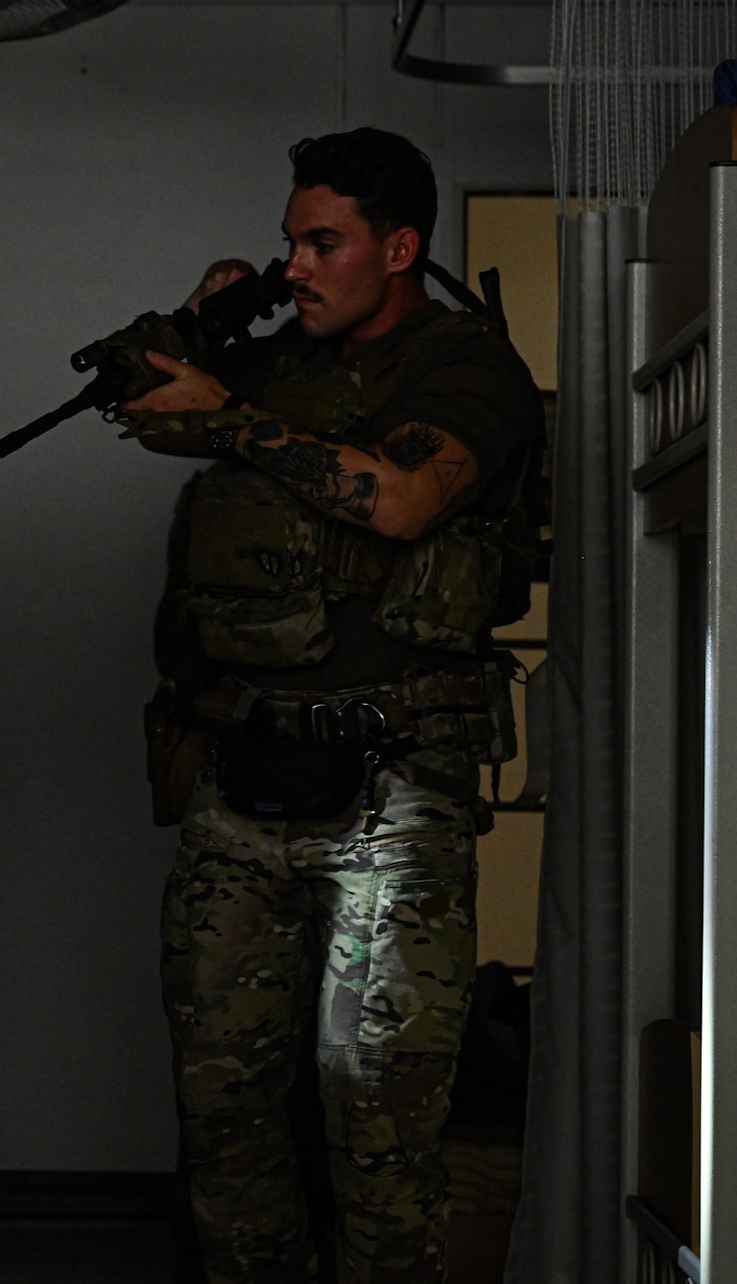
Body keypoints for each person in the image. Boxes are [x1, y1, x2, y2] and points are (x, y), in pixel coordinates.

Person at [124, 128, 544, 1283]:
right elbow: (138, 398)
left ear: (398, 247)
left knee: (378, 1123)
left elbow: (403, 500)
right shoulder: (281, 362)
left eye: (322, 243)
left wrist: (231, 416)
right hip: (236, 785)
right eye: (286, 245)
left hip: (390, 793)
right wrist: (204, 323)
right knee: (223, 1112)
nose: (296, 267)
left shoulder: (466, 369)